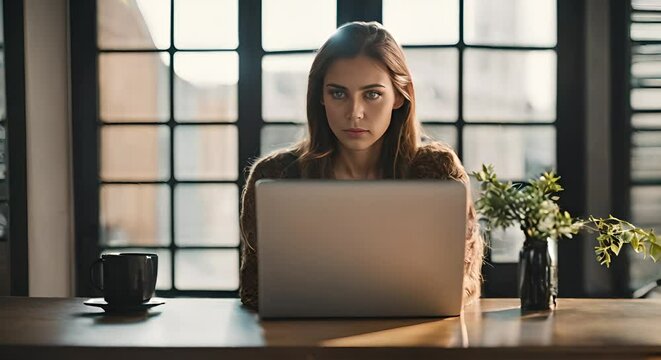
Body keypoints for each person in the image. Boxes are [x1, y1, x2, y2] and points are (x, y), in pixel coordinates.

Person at [239, 21, 483, 311]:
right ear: (320, 96)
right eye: (338, 94)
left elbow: (464, 283)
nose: (354, 113)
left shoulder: (437, 169)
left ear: (399, 96)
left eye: (372, 94)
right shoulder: (273, 174)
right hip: (303, 344)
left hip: (414, 340)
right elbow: (254, 290)